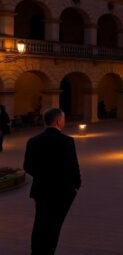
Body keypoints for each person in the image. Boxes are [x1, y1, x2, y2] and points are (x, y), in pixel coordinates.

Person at [23, 108, 82, 255]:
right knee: (54, 227)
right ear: (58, 121)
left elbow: (27, 166)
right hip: (62, 192)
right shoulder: (66, 141)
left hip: (41, 190)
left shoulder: (33, 141)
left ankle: (36, 252)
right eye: (63, 119)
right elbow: (73, 167)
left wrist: (42, 176)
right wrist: (76, 186)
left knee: (40, 224)